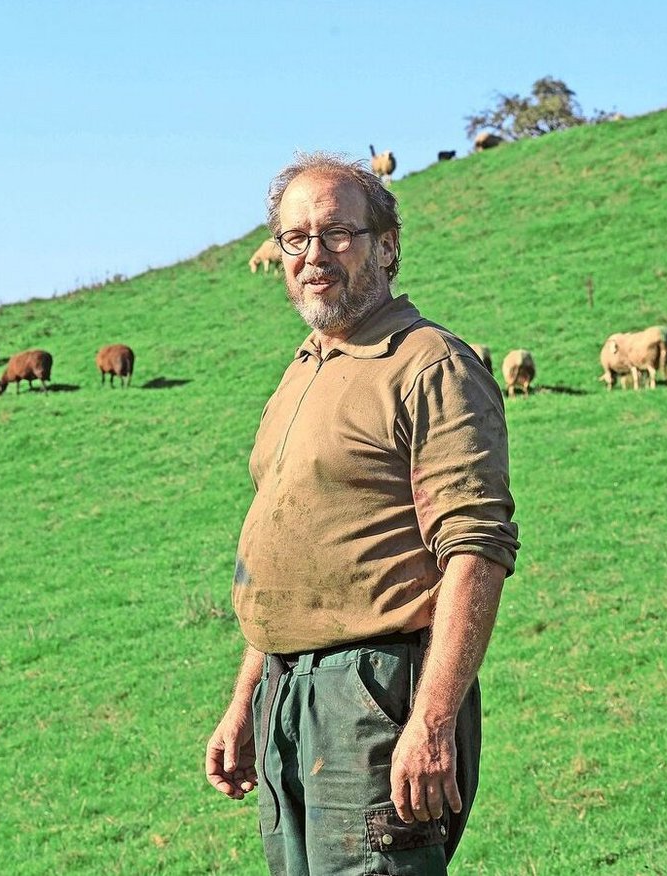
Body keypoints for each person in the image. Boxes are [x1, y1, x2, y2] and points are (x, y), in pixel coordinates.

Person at [205, 152, 520, 876]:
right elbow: (304, 548)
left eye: (336, 234)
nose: (313, 255)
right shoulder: (303, 370)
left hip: (375, 694)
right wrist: (247, 699)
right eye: (295, 239)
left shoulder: (427, 364)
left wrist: (433, 718)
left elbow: (475, 549)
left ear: (387, 246)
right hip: (287, 695)